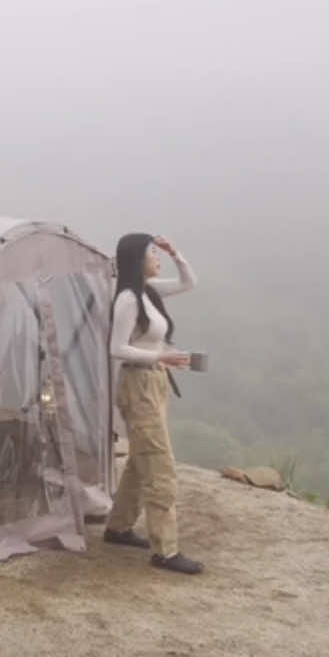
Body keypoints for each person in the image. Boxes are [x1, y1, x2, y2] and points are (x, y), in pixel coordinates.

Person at [103, 232, 204, 574]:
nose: (156, 258)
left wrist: (176, 252)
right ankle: (166, 550)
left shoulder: (149, 291)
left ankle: (118, 527)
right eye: (152, 253)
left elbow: (189, 283)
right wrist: (159, 355)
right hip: (138, 383)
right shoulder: (129, 299)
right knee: (159, 464)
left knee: (140, 458)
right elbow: (115, 347)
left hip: (155, 382)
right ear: (136, 259)